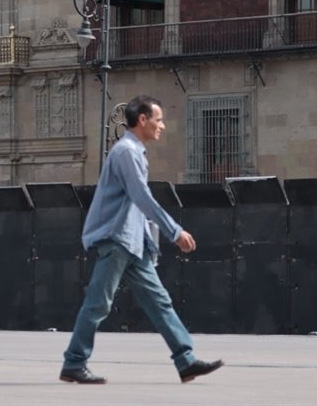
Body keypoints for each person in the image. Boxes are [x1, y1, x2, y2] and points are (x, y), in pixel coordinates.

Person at [59, 95, 223, 385]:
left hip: (133, 242)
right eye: (158, 119)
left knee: (160, 302)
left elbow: (135, 204)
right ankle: (74, 362)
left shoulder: (133, 151)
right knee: (98, 304)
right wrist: (174, 231)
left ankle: (186, 361)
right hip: (117, 238)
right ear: (143, 120)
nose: (162, 125)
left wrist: (150, 241)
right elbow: (141, 196)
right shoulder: (125, 152)